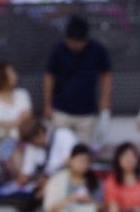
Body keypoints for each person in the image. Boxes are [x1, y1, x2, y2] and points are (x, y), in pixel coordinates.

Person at [43, 15, 112, 144]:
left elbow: (106, 73)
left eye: (77, 41)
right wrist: (48, 104)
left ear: (85, 39)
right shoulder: (59, 49)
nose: (73, 45)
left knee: (83, 151)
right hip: (61, 110)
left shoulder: (97, 50)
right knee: (60, 147)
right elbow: (49, 76)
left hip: (86, 112)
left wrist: (105, 99)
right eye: (70, 40)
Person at [0, 60, 33, 165]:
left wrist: (3, 123)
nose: (15, 75)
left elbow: (28, 124)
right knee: (13, 151)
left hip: (24, 143)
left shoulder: (22, 94)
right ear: (0, 76)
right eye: (11, 73)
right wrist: (18, 120)